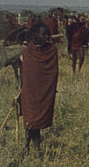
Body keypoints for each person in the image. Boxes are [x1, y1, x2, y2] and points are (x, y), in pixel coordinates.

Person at [19, 23, 59, 156]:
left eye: (48, 34)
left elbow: (53, 72)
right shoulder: (27, 51)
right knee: (30, 117)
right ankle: (30, 147)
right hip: (29, 91)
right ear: (35, 36)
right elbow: (25, 72)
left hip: (45, 91)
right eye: (44, 34)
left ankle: (33, 147)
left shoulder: (52, 51)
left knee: (35, 119)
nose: (47, 37)